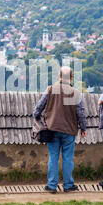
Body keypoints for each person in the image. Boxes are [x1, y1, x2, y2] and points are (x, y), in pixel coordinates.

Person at [33, 66, 87, 194]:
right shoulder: (76, 93)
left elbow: (38, 108)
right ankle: (68, 185)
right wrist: (83, 128)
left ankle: (52, 185)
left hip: (52, 128)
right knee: (68, 158)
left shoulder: (50, 90)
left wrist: (39, 120)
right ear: (72, 78)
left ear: (59, 76)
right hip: (69, 130)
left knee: (53, 157)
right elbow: (81, 113)